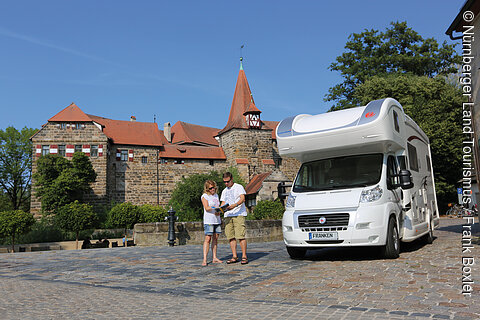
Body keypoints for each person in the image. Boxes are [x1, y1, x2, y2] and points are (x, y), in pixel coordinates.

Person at [220, 172, 248, 265]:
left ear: (231, 179)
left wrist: (234, 205)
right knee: (230, 236)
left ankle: (244, 256)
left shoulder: (238, 187)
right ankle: (234, 256)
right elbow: (223, 202)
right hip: (228, 215)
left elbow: (242, 198)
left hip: (238, 214)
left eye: (227, 181)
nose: (226, 184)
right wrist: (220, 209)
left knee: (240, 236)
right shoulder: (224, 191)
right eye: (224, 182)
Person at [200, 180, 223, 266]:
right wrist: (215, 208)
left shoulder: (216, 195)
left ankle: (214, 257)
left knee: (215, 239)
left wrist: (219, 210)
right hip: (209, 220)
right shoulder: (205, 196)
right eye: (211, 188)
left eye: (214, 187)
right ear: (207, 189)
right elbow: (207, 208)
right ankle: (205, 259)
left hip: (216, 219)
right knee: (208, 239)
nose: (213, 189)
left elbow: (218, 206)